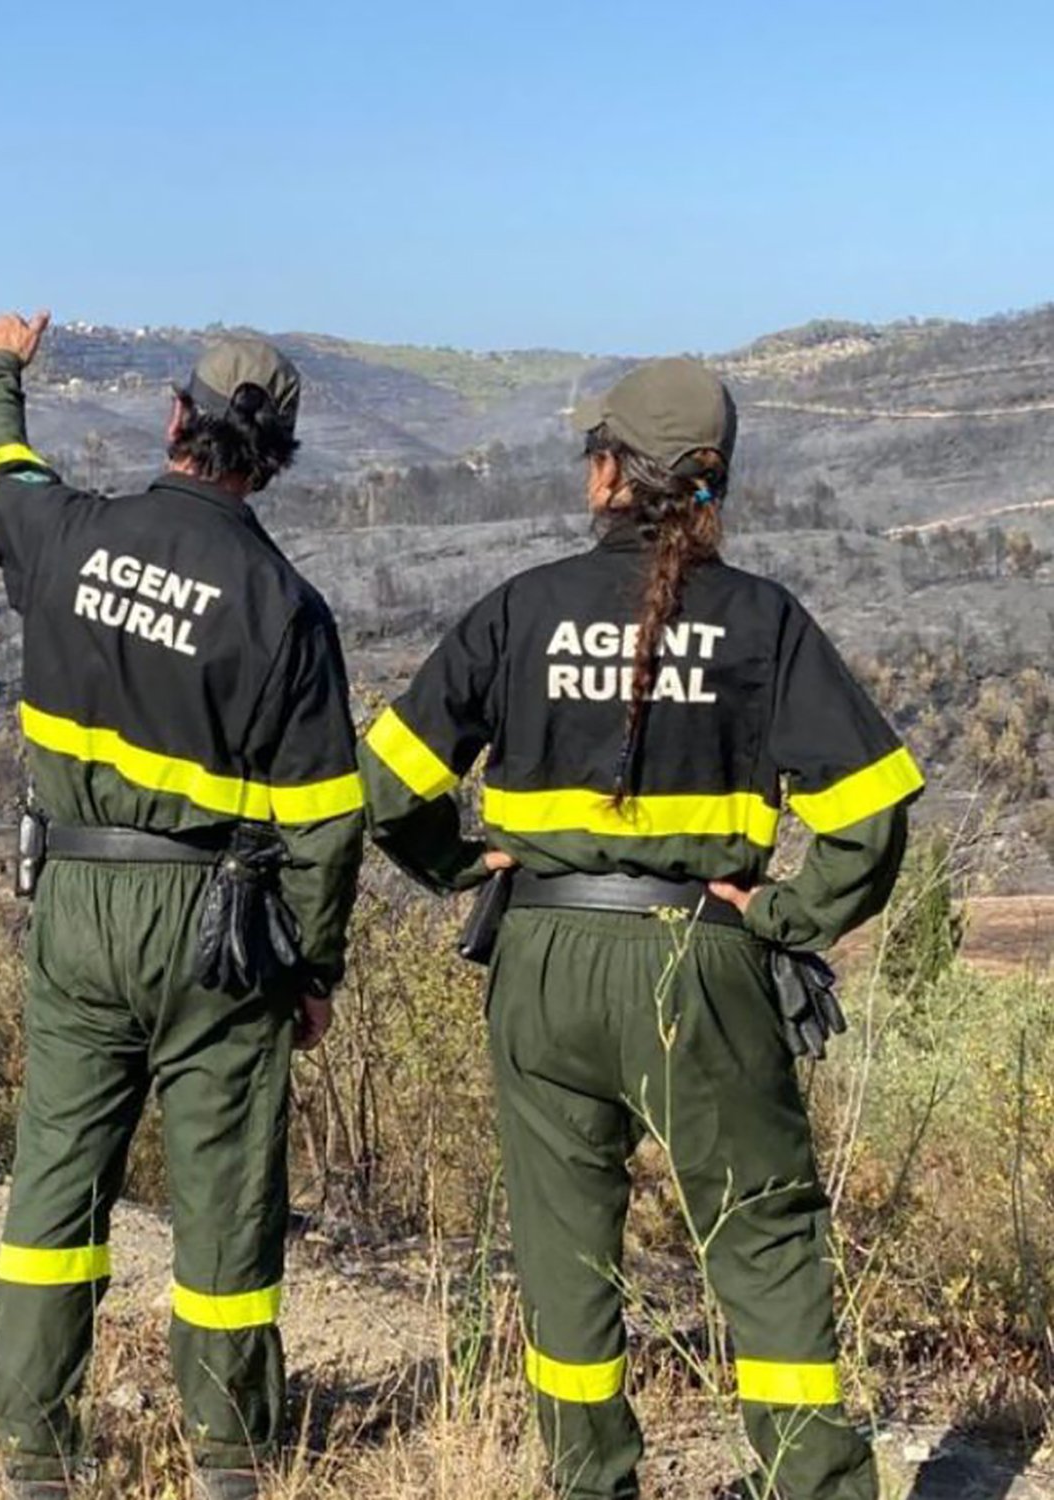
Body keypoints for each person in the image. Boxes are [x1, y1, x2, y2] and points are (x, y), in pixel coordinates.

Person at [359, 357, 920, 1500]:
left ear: (608, 473)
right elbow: (868, 816)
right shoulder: (763, 621)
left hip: (543, 964)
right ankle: (813, 1483)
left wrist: (465, 868)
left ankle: (589, 1483)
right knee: (760, 1239)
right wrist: (785, 916)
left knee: (566, 1254)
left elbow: (385, 784)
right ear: (711, 488)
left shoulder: (519, 608)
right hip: (700, 963)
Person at [0, 310, 364, 1500]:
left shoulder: (67, 535)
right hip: (217, 933)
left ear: (176, 418)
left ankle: (36, 1449)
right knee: (227, 1189)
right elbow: (328, 825)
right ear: (273, 459)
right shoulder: (285, 607)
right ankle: (228, 1456)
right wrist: (312, 972)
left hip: (78, 901)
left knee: (56, 1176)